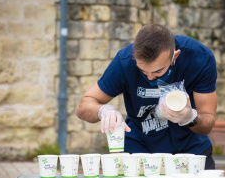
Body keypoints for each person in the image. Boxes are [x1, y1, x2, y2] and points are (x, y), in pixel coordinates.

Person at [76, 24, 217, 169]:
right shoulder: (124, 61)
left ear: (175, 56)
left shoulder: (199, 58)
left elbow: (208, 121)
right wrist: (103, 110)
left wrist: (190, 117)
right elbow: (83, 106)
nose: (150, 78)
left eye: (158, 71)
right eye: (143, 71)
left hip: (191, 153)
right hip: (140, 152)